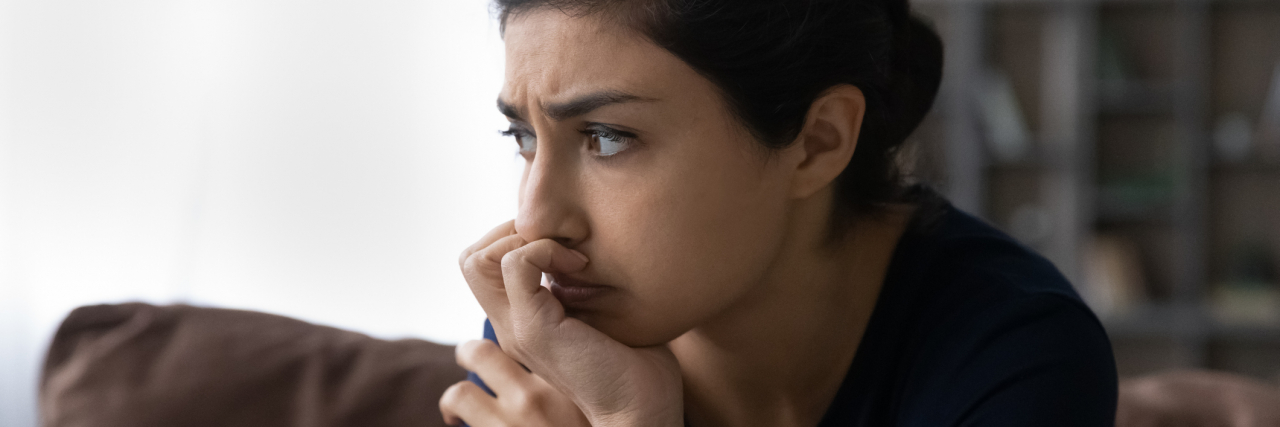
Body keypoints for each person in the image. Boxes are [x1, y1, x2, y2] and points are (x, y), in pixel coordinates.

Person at [438, 0, 1118, 426]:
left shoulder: (1011, 353)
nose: (536, 221)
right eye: (524, 136)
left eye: (608, 137)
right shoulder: (554, 328)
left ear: (817, 141)